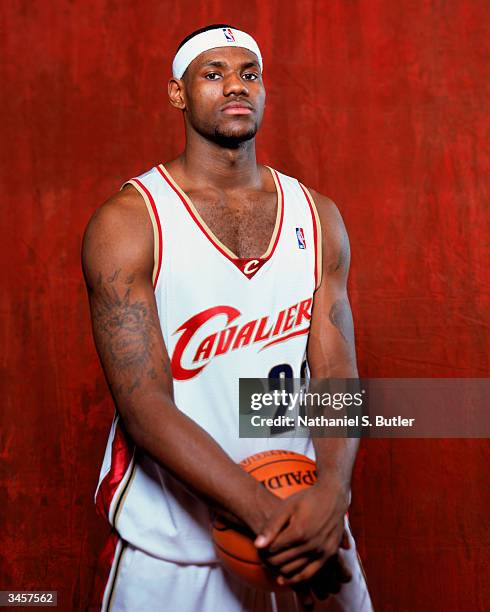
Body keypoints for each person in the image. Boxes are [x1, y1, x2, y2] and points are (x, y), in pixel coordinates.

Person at [82, 24, 372, 612]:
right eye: (213, 74)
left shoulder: (318, 217)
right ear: (178, 94)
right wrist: (267, 517)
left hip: (306, 522)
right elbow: (145, 408)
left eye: (248, 73)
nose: (235, 86)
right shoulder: (129, 222)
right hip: (174, 543)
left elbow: (335, 369)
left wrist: (332, 495)